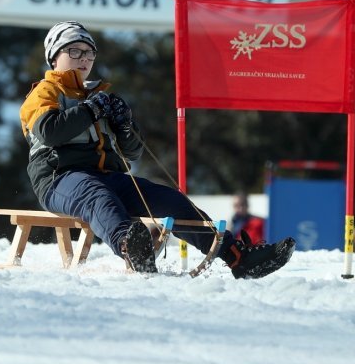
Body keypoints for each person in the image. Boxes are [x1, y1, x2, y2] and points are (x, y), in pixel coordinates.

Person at [19, 21, 296, 278]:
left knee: (169, 200)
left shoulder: (98, 96)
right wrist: (91, 109)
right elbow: (50, 132)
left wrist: (124, 124)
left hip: (107, 176)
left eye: (89, 53)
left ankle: (237, 256)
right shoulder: (44, 92)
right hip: (60, 179)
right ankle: (131, 246)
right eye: (75, 51)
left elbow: (132, 153)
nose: (84, 58)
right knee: (97, 196)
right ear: (55, 55)